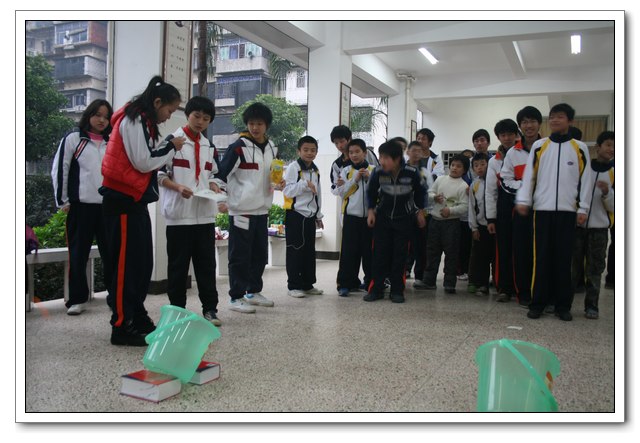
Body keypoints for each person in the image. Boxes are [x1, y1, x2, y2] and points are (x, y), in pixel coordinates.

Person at [100, 76, 184, 346]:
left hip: (134, 201)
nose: (168, 116)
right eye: (169, 110)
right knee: (126, 268)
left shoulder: (144, 122)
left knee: (141, 265)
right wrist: (171, 146)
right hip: (121, 202)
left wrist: (166, 145)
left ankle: (137, 316)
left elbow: (145, 158)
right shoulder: (134, 120)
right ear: (157, 102)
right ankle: (122, 326)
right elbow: (144, 162)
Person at [516, 103, 593, 321]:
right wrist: (524, 199)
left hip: (568, 212)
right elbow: (529, 176)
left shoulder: (580, 148)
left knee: (564, 260)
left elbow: (586, 180)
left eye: (560, 116)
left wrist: (583, 207)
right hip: (542, 211)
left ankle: (562, 305)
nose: (555, 120)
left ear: (570, 121)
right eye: (552, 117)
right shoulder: (540, 146)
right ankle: (538, 303)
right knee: (541, 258)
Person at [157, 96, 222, 326]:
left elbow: (214, 174)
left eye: (206, 118)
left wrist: (214, 185)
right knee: (178, 267)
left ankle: (210, 310)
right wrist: (177, 187)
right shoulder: (171, 141)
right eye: (197, 116)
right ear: (188, 115)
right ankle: (177, 312)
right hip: (179, 215)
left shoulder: (209, 146)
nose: (200, 122)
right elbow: (158, 174)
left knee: (207, 266)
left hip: (204, 215)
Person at [52, 99, 113, 316]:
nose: (102, 120)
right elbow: (61, 168)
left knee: (111, 255)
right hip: (80, 207)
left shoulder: (111, 141)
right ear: (88, 115)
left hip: (108, 208)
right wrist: (63, 201)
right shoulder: (74, 138)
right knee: (78, 254)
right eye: (97, 115)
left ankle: (114, 297)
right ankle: (77, 299)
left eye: (106, 117)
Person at [216, 102, 279, 313]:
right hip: (241, 211)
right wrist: (221, 201)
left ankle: (253, 291)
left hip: (262, 210)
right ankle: (236, 296)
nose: (255, 127)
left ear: (267, 125)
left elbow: (271, 174)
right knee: (240, 255)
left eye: (259, 123)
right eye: (251, 123)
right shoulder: (238, 147)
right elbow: (221, 175)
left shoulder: (272, 147)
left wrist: (278, 182)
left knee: (259, 254)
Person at [365, 140, 426, 303]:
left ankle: (397, 290)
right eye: (380, 157)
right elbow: (371, 192)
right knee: (379, 255)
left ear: (397, 158)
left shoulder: (412, 172)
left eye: (385, 158)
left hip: (404, 220)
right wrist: (370, 211)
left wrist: (420, 211)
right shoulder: (378, 172)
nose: (382, 161)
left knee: (400, 256)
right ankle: (376, 289)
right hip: (382, 219)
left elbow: (421, 192)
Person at [498, 106, 542, 308]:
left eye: (532, 121)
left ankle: (542, 292)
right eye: (524, 122)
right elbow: (505, 180)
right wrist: (526, 189)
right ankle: (524, 293)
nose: (528, 125)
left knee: (543, 251)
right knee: (522, 252)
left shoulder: (547, 148)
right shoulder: (513, 153)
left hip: (545, 209)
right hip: (522, 210)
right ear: (520, 126)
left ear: (539, 124)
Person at [571, 131, 614, 319]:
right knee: (572, 268)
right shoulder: (584, 168)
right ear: (598, 147)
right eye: (608, 145)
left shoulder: (615, 172)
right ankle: (564, 303)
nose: (612, 149)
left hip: (599, 229)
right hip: (577, 227)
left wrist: (607, 193)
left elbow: (615, 207)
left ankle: (592, 306)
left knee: (595, 269)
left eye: (615, 146)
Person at [419, 154, 470, 294]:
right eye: (453, 165)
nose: (454, 168)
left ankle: (449, 283)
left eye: (458, 166)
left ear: (464, 170)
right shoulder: (440, 179)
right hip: (435, 221)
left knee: (451, 253)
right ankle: (429, 281)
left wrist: (450, 211)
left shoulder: (463, 186)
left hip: (452, 224)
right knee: (432, 252)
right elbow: (429, 192)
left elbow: (465, 207)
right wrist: (434, 197)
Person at [283, 135, 324, 298]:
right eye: (306, 150)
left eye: (313, 150)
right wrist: (305, 184)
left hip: (310, 216)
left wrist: (318, 215)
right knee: (295, 250)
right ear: (298, 151)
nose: (309, 153)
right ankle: (293, 285)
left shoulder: (315, 169)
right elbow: (287, 191)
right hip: (296, 215)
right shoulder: (293, 168)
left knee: (309, 251)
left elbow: (318, 193)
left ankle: (308, 284)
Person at [334, 139, 376, 297]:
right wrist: (355, 179)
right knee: (348, 252)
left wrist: (370, 178)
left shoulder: (375, 170)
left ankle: (371, 282)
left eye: (357, 151)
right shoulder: (345, 171)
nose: (354, 155)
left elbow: (381, 191)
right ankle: (346, 284)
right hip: (351, 217)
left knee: (369, 252)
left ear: (365, 153)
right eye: (351, 152)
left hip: (370, 218)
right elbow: (342, 193)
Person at [485, 119, 519, 303]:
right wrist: (491, 218)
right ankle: (504, 288)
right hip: (503, 209)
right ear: (498, 137)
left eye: (510, 134)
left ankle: (522, 288)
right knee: (503, 250)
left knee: (522, 249)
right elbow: (490, 191)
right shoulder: (494, 161)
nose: (507, 138)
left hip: (524, 207)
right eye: (503, 135)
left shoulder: (526, 154)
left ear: (516, 135)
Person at [467, 153, 494, 295]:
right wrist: (474, 228)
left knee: (495, 256)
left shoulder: (495, 181)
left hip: (495, 225)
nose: (480, 168)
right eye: (476, 165)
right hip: (481, 226)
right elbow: (471, 207)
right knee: (481, 257)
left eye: (483, 164)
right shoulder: (474, 185)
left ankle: (497, 282)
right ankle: (482, 284)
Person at [405, 141, 430, 282]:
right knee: (404, 244)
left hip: (421, 213)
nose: (416, 153)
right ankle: (404, 270)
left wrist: (423, 211)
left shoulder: (425, 172)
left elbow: (429, 191)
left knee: (420, 245)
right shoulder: (401, 169)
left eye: (419, 151)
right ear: (407, 152)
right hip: (404, 213)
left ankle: (419, 275)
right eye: (413, 150)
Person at [330, 125, 379, 192]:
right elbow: (334, 188)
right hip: (349, 198)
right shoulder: (337, 164)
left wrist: (370, 177)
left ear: (349, 139)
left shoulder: (367, 153)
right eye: (336, 143)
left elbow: (379, 173)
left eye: (342, 141)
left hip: (369, 196)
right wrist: (339, 185)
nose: (339, 146)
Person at [457, 149, 475, 282]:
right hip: (458, 217)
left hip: (471, 217)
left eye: (469, 158)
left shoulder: (474, 177)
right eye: (465, 157)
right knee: (459, 246)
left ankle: (469, 270)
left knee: (469, 246)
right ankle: (460, 270)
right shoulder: (455, 178)